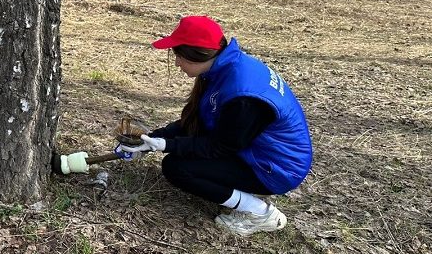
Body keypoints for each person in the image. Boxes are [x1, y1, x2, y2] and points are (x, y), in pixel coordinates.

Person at [120, 16, 312, 236]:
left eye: (179, 56)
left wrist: (165, 144)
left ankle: (261, 213)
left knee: (177, 168)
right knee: (180, 161)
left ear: (197, 55)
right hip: (254, 150)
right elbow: (201, 121)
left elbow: (219, 146)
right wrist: (150, 139)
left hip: (277, 166)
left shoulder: (243, 95)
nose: (177, 63)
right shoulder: (223, 68)